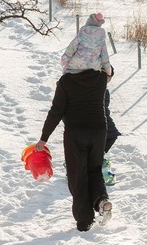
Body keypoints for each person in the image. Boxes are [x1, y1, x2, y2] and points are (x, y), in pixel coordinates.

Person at [35, 68, 113, 232]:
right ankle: (102, 201)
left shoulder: (66, 82)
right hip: (99, 132)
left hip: (75, 134)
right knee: (95, 170)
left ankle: (85, 222)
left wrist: (44, 137)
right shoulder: (100, 78)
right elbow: (110, 71)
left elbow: (56, 111)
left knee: (78, 176)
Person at [61, 12, 112, 77]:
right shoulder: (101, 39)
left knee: (66, 69)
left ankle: (64, 81)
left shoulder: (81, 34)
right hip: (93, 67)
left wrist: (64, 58)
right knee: (99, 69)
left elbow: (71, 47)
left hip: (76, 65)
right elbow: (104, 55)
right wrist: (107, 68)